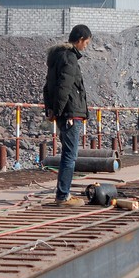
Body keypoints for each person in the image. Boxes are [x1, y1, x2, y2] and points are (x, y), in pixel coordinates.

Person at [43, 24, 92, 207]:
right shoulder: (70, 58)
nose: (86, 46)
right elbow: (65, 86)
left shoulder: (55, 58)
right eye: (86, 42)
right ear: (79, 40)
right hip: (71, 113)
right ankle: (63, 196)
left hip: (65, 113)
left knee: (67, 154)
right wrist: (59, 110)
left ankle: (63, 193)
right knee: (70, 156)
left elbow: (47, 87)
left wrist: (51, 109)